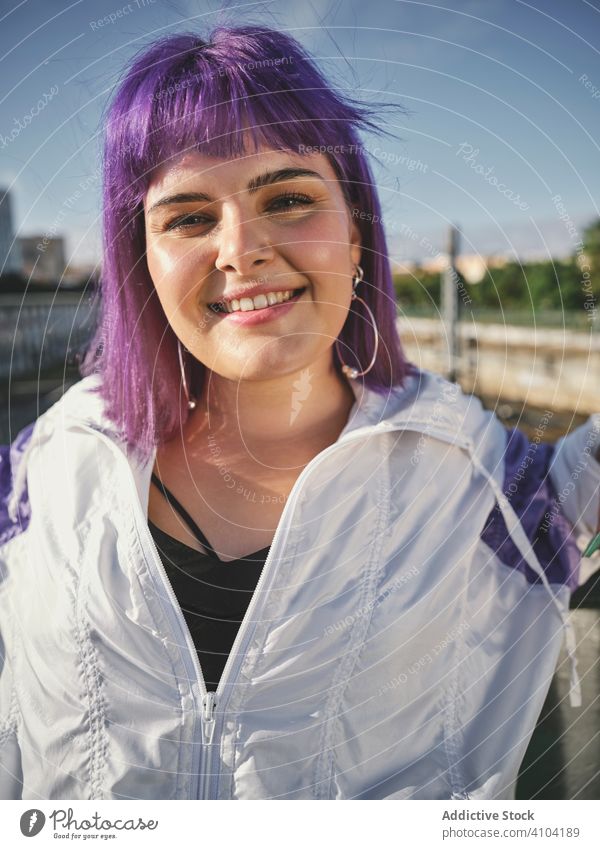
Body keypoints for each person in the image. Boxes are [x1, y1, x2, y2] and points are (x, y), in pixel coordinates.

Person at [0, 24, 599, 802]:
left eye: (287, 198)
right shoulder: (45, 471)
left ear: (357, 232)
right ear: (140, 259)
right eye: (187, 217)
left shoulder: (496, 489)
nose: (240, 249)